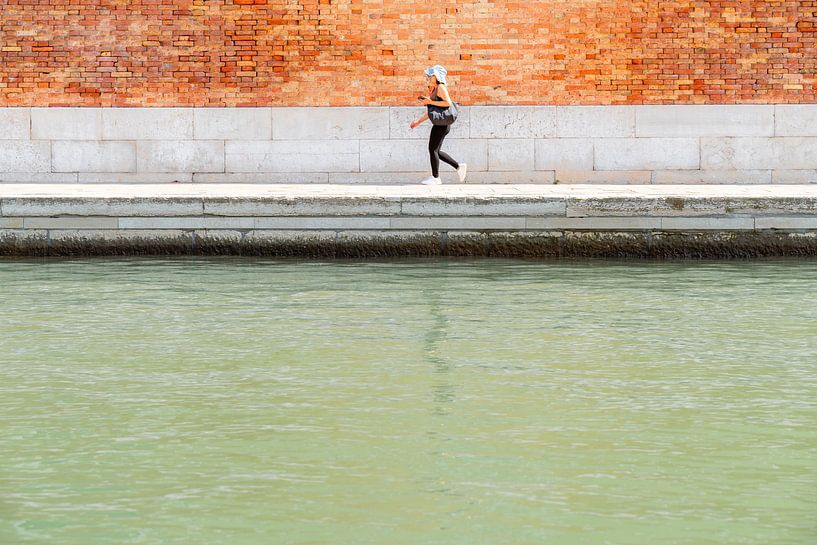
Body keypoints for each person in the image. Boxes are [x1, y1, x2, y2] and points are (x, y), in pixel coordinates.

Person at [409, 65, 468, 185]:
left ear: (436, 77)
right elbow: (433, 111)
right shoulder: (435, 88)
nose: (428, 78)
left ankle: (436, 178)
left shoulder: (441, 87)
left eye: (431, 75)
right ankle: (458, 167)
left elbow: (448, 103)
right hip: (440, 123)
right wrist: (418, 122)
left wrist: (430, 101)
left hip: (442, 124)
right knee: (435, 150)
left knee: (433, 150)